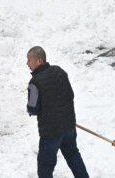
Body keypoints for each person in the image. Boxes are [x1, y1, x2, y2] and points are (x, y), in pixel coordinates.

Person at [26, 46, 89, 178]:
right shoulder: (60, 71)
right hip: (69, 126)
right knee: (73, 155)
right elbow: (70, 95)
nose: (27, 64)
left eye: (29, 60)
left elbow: (33, 108)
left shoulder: (35, 82)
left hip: (51, 132)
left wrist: (31, 110)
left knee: (45, 166)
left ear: (39, 61)